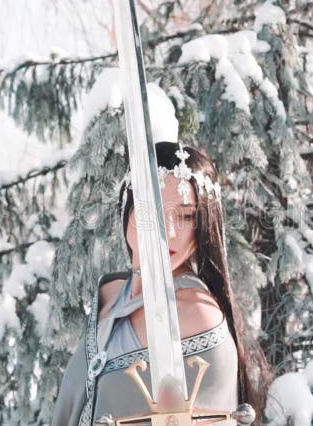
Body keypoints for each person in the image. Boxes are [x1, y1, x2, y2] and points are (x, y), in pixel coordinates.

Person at [52, 141, 271, 426]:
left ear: (203, 225)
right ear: (127, 211)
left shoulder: (197, 314)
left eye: (185, 216)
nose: (167, 231)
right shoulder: (110, 294)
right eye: (152, 209)